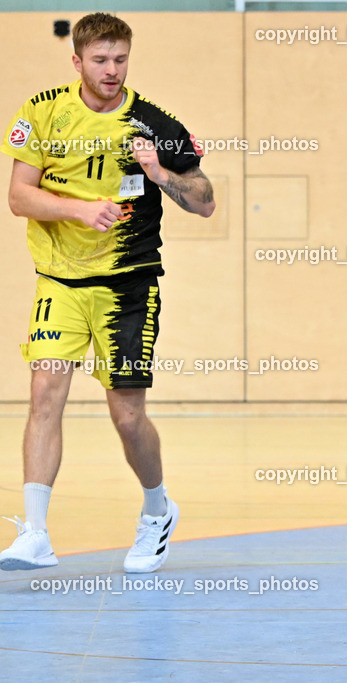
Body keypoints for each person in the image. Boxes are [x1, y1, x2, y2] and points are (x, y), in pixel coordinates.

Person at [0, 13, 215, 573]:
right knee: (45, 395)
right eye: (100, 60)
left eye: (120, 59)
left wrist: (161, 173)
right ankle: (37, 532)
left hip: (128, 285)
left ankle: (156, 510)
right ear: (77, 62)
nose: (112, 70)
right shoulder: (42, 112)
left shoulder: (152, 123)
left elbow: (205, 198)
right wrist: (77, 209)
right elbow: (19, 197)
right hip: (60, 283)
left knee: (126, 417)